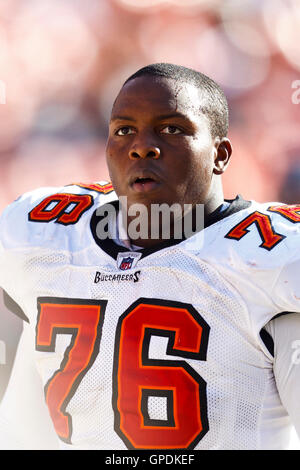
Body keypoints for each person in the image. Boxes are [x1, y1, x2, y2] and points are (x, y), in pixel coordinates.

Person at [0, 63, 300, 450]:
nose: (142, 146)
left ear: (220, 154)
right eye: (124, 130)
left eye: (172, 129)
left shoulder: (272, 253)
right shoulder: (41, 234)